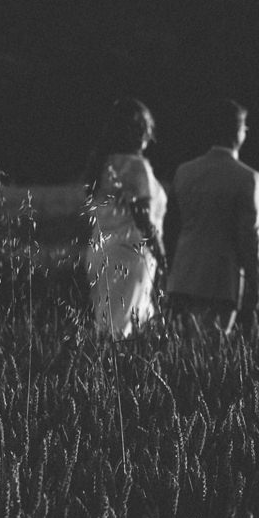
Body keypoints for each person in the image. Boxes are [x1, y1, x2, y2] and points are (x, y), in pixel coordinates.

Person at [165, 99, 259, 337]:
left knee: (183, 354)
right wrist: (257, 281)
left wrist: (169, 270)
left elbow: (171, 225)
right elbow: (250, 234)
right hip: (220, 280)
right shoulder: (247, 178)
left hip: (183, 275)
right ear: (237, 131)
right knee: (210, 354)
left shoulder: (184, 172)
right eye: (245, 127)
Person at [82, 97, 167, 338]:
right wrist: (162, 256)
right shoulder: (135, 166)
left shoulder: (101, 164)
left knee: (110, 327)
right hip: (130, 255)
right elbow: (143, 218)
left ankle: (101, 374)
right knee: (120, 333)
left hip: (100, 252)